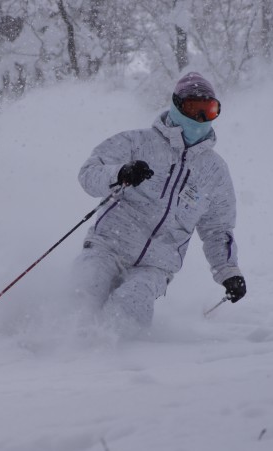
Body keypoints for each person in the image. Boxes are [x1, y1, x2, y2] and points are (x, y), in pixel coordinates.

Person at [72, 72, 246, 335]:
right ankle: (53, 350)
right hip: (107, 246)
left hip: (155, 266)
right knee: (83, 294)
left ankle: (116, 365)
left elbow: (217, 229)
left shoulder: (214, 171)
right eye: (193, 108)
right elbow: (88, 174)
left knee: (130, 304)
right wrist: (119, 173)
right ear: (176, 106)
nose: (200, 119)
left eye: (208, 111)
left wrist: (228, 271)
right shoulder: (136, 142)